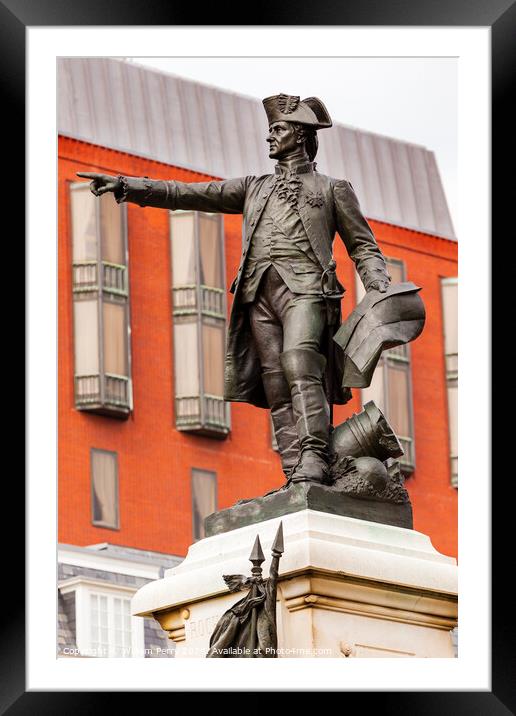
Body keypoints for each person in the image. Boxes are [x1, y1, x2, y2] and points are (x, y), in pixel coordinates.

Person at [77, 93, 390, 486]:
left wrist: (378, 285)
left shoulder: (332, 189)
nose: (269, 137)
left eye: (277, 130)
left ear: (300, 134)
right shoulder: (252, 187)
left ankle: (314, 455)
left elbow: (363, 245)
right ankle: (295, 471)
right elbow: (186, 193)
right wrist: (127, 186)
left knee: (299, 361)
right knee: (275, 381)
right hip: (257, 294)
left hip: (307, 291)